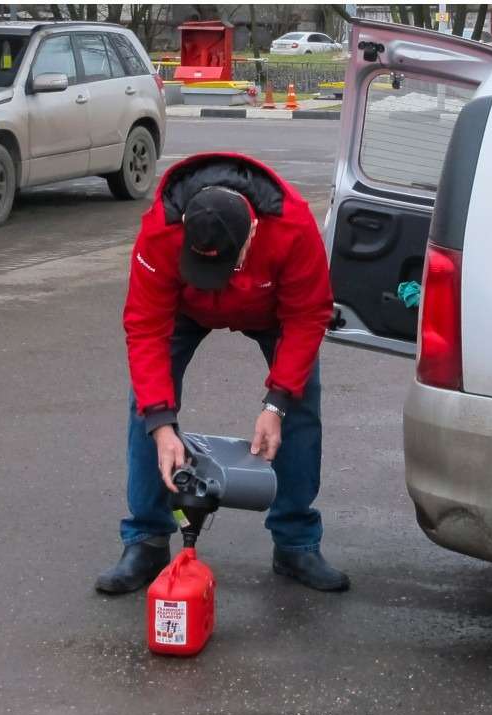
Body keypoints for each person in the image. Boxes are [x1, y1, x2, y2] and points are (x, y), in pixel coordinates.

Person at [95, 152, 346, 595]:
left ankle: (295, 541)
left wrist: (277, 402)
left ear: (252, 232)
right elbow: (145, 325)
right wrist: (161, 423)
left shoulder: (291, 227)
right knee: (146, 404)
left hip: (270, 310)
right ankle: (147, 539)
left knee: (301, 401)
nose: (215, 277)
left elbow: (308, 316)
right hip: (185, 311)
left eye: (223, 265)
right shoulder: (161, 229)